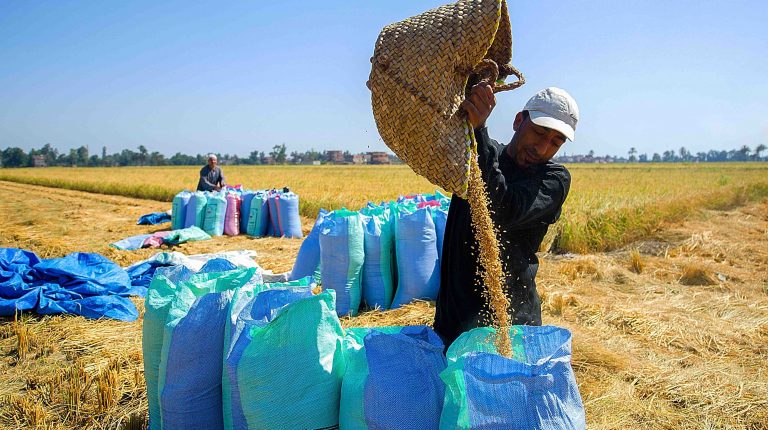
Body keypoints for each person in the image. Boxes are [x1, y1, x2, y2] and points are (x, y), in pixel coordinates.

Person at [434, 86, 579, 347]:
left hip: (509, 325)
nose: (543, 147)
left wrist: (479, 132)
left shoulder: (553, 179)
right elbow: (439, 140)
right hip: (453, 319)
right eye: (539, 132)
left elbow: (500, 209)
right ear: (518, 121)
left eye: (555, 142)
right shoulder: (478, 153)